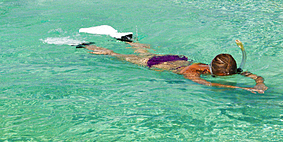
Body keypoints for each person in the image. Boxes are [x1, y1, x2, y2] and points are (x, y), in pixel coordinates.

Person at [78, 38, 266, 92]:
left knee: (146, 51)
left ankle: (129, 40)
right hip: (160, 64)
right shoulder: (191, 73)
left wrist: (259, 83)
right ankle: (88, 45)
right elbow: (207, 84)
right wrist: (242, 89)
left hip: (176, 58)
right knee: (117, 56)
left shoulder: (221, 68)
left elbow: (250, 75)